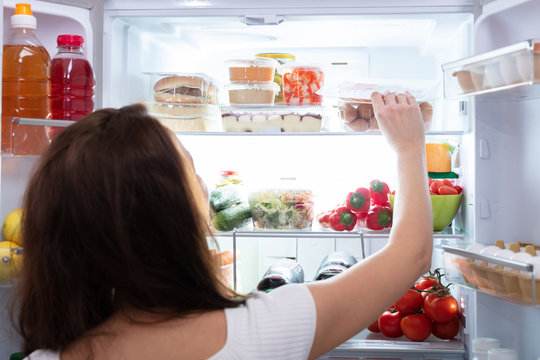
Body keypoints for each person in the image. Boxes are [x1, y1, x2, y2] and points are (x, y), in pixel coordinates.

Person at [14, 91, 432, 360]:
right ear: (172, 214)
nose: (203, 184)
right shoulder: (264, 331)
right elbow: (409, 253)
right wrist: (410, 145)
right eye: (192, 171)